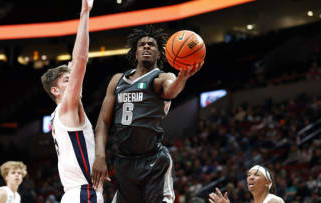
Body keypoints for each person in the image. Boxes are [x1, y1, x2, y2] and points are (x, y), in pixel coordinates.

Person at [92, 25, 203, 203]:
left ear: (159, 54)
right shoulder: (117, 81)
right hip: (123, 162)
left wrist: (182, 77)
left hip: (153, 162)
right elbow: (103, 123)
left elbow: (171, 91)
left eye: (151, 44)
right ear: (135, 53)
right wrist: (99, 155)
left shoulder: (163, 78)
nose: (146, 46)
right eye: (141, 44)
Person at [40, 0, 103, 202]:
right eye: (67, 80)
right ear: (55, 90)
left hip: (75, 193)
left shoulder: (59, 115)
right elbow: (81, 59)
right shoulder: (66, 108)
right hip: (84, 193)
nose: (74, 82)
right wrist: (85, 13)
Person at [209, 165, 284, 203]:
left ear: (267, 183)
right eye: (249, 175)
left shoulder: (274, 200)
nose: (250, 177)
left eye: (257, 175)